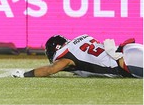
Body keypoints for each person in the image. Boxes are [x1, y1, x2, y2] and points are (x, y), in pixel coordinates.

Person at [12, 34, 143, 78]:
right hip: (128, 49)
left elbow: (49, 70)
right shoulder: (82, 38)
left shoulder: (66, 57)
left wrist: (25, 74)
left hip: (125, 64)